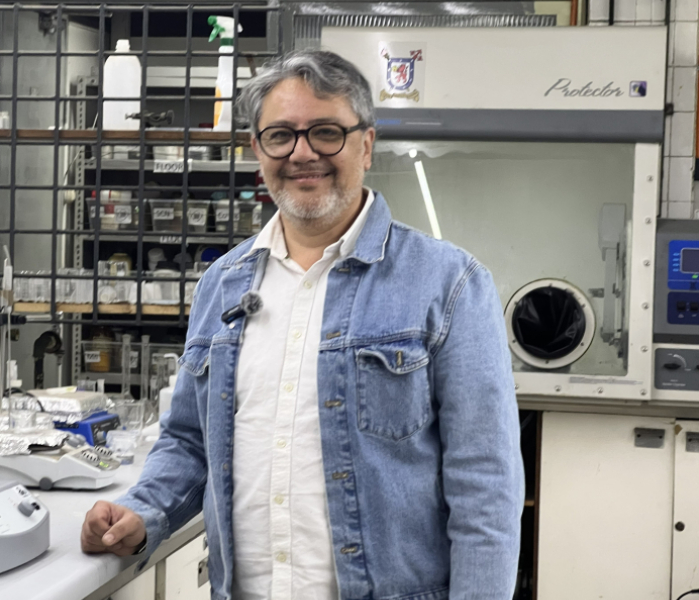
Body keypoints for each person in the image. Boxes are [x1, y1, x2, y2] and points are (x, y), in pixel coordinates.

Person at [81, 49, 524, 600]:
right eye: (281, 135)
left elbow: (485, 486)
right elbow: (191, 442)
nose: (302, 153)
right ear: (257, 149)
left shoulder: (449, 283)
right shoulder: (223, 283)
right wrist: (142, 513)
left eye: (325, 132)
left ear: (366, 143)